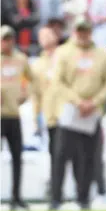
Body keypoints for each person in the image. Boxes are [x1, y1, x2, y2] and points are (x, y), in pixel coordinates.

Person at [51, 17, 106, 211]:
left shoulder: (101, 54)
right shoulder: (63, 52)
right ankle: (56, 198)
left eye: (86, 30)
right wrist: (78, 102)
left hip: (92, 112)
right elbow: (58, 81)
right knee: (61, 156)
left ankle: (84, 197)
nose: (83, 34)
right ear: (74, 31)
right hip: (69, 110)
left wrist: (93, 102)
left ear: (90, 32)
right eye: (80, 30)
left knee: (88, 157)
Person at [0, 25, 34, 211]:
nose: (7, 42)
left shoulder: (20, 59)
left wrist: (25, 93)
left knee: (17, 158)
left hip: (13, 115)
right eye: (4, 39)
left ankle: (16, 196)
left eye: (10, 38)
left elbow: (32, 79)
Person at [30, 26, 60, 194]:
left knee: (78, 153)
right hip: (49, 115)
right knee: (53, 153)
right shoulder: (38, 64)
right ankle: (55, 190)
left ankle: (83, 191)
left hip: (69, 112)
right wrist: (36, 117)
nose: (46, 38)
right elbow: (36, 94)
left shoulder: (65, 56)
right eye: (42, 36)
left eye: (48, 33)